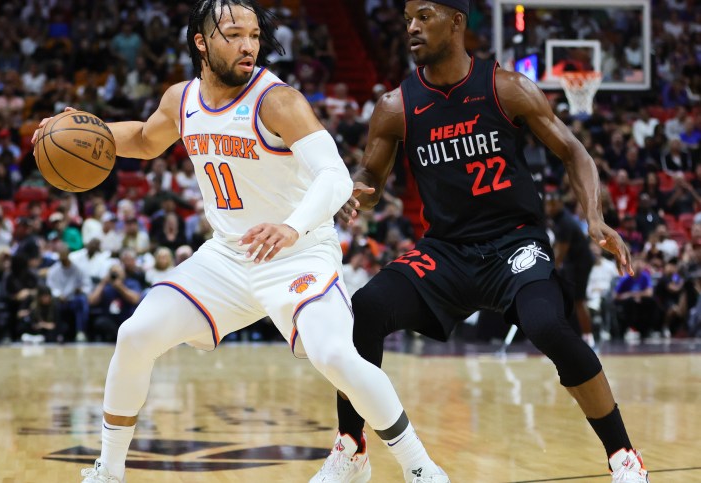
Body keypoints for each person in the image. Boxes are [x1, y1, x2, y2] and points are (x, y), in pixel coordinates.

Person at [33, 2, 444, 482]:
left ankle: (421, 470)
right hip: (227, 257)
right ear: (201, 43)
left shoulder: (277, 101)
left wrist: (291, 225)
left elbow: (334, 176)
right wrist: (85, 129)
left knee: (336, 356)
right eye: (233, 34)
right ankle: (109, 471)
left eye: (253, 35)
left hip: (298, 253)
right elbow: (145, 139)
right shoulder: (181, 100)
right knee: (135, 335)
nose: (249, 45)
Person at [315, 1, 648, 482]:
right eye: (407, 18)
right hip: (446, 250)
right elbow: (372, 174)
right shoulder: (396, 106)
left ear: (456, 21)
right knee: (365, 307)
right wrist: (357, 190)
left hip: (514, 242)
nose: (411, 27)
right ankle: (352, 447)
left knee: (547, 325)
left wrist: (594, 218)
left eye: (423, 16)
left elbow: (573, 151)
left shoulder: (506, 88)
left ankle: (624, 457)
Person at [545, 190, 596, 348]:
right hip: (573, 263)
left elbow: (560, 253)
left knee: (578, 301)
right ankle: (567, 339)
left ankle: (588, 339)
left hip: (580, 263)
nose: (549, 207)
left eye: (553, 204)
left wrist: (548, 272)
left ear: (560, 203)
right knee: (566, 300)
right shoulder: (558, 220)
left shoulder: (564, 222)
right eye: (547, 204)